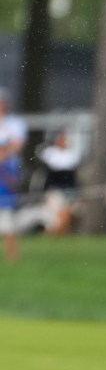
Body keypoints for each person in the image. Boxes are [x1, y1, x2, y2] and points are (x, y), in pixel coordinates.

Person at [0, 88, 28, 263]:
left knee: (7, 214)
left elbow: (17, 144)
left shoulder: (15, 123)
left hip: (7, 173)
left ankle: (11, 257)